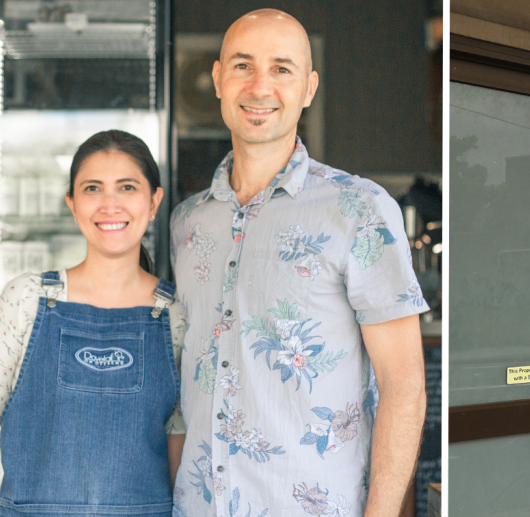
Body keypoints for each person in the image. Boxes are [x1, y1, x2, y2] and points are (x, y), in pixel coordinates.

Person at [169, 9, 429, 517]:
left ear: (309, 88)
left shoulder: (360, 209)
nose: (260, 86)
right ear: (218, 79)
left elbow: (405, 386)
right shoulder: (187, 223)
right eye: (242, 66)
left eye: (281, 69)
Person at [0, 130, 186, 517]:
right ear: (72, 203)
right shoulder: (25, 300)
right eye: (92, 189)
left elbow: (180, 462)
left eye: (127, 187)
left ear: (154, 201)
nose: (109, 204)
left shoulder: (178, 316)